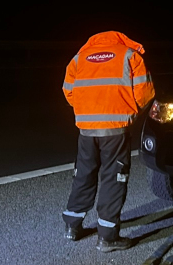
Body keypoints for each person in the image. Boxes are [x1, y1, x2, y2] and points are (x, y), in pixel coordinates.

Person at [62, 30, 155, 252]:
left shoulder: (80, 57)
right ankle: (107, 237)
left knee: (83, 175)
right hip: (115, 129)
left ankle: (72, 227)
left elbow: (68, 91)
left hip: (86, 130)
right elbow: (145, 93)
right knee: (114, 179)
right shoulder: (130, 56)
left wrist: (87, 111)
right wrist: (128, 113)